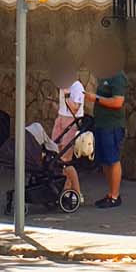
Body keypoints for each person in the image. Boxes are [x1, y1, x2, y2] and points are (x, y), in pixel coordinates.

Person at [90, 47, 127, 209]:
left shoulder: (117, 77)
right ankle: (110, 193)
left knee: (113, 159)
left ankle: (115, 195)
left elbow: (118, 102)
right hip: (101, 123)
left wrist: (96, 99)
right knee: (105, 160)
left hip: (112, 125)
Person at [51, 63, 86, 202]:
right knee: (56, 155)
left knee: (66, 160)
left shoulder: (77, 87)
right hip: (61, 119)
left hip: (71, 122)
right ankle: (65, 189)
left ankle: (77, 192)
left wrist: (66, 94)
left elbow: (75, 108)